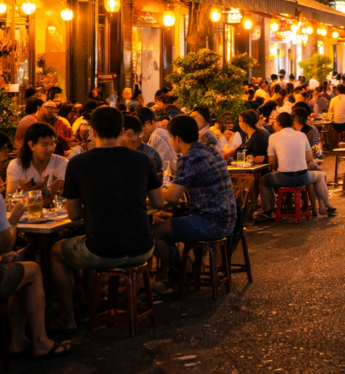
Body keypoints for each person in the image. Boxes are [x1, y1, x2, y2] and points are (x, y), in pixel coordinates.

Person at [50, 107, 164, 332]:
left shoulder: (78, 163)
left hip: (101, 249)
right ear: (121, 131)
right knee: (88, 242)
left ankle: (68, 318)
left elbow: (73, 214)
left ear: (92, 132)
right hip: (143, 246)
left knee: (55, 252)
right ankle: (96, 299)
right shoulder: (142, 160)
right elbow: (159, 203)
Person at [0, 136, 70, 359]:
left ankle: (18, 338)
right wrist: (14, 217)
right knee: (32, 270)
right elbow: (6, 245)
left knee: (15, 263)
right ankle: (39, 342)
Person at [152, 116, 237, 289]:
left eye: (170, 137)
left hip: (211, 221)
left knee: (153, 233)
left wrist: (153, 190)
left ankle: (185, 270)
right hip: (228, 218)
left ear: (177, 138)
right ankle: (182, 272)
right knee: (165, 221)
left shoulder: (189, 158)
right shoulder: (210, 150)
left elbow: (172, 196)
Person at [255, 112, 335, 219]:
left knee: (263, 181)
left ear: (279, 123)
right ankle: (326, 204)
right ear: (292, 123)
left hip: (283, 178)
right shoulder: (302, 135)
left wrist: (279, 167)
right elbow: (309, 158)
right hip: (303, 177)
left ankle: (268, 211)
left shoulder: (273, 137)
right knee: (321, 175)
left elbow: (272, 161)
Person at [6, 122, 67, 199]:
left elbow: (64, 187)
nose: (51, 149)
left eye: (53, 143)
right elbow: (10, 197)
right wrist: (34, 193)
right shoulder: (16, 165)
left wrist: (48, 190)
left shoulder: (61, 162)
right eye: (44, 144)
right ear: (32, 145)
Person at [142, 106, 176, 174]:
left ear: (148, 123)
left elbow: (167, 164)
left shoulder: (158, 135)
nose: (141, 131)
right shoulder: (153, 135)